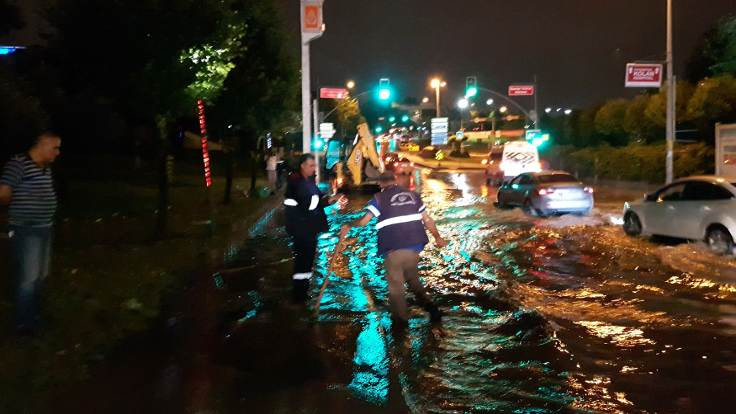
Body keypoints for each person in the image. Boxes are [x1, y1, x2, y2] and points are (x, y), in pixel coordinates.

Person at [339, 171, 447, 327]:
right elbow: (428, 220)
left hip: (394, 248)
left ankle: (401, 326)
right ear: (395, 181)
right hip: (415, 247)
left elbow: (363, 221)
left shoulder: (379, 198)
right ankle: (432, 308)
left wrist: (349, 225)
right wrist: (438, 237)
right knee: (413, 280)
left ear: (381, 184)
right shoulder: (413, 195)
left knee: (396, 289)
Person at [0, 132, 62, 335]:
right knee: (28, 278)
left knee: (41, 276)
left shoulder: (45, 168)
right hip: (27, 230)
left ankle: (34, 316)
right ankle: (23, 325)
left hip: (45, 228)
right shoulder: (18, 163)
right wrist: (15, 215)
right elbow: (3, 193)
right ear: (42, 145)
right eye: (54, 147)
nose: (57, 152)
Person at [284, 153, 345, 300]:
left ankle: (303, 291)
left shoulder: (308, 181)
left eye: (314, 165)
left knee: (308, 259)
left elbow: (318, 199)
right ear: (302, 166)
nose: (314, 168)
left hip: (309, 228)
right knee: (303, 260)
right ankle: (298, 294)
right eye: (311, 165)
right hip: (301, 229)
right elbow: (309, 203)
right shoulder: (297, 182)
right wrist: (327, 200)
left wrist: (331, 200)